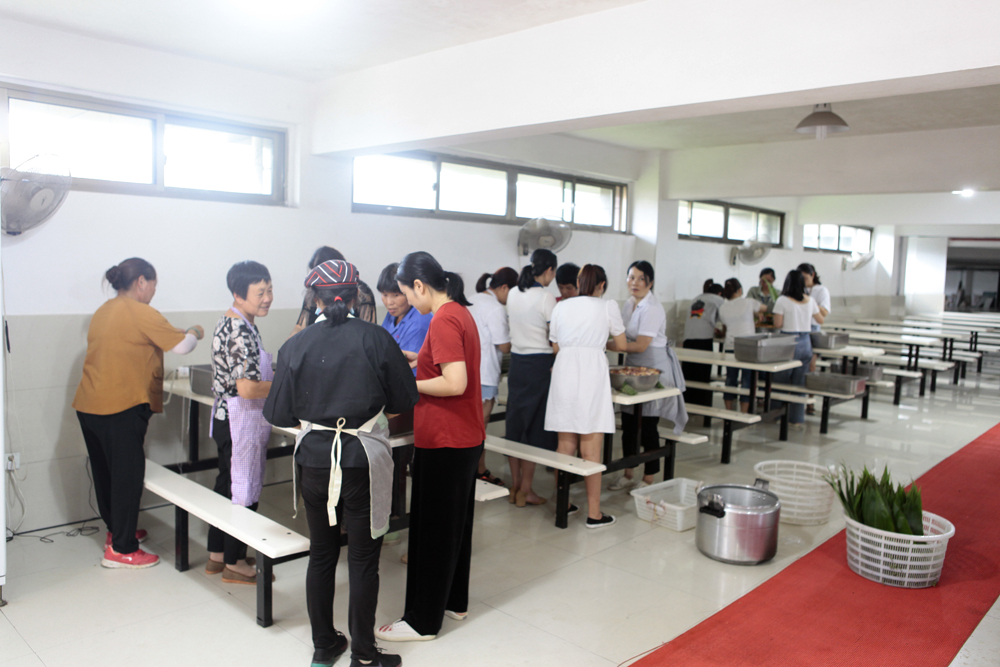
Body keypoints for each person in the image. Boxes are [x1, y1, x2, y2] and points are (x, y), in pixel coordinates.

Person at [264, 259, 418, 667]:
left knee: (321, 553)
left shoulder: (295, 345)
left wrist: (317, 420)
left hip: (314, 460)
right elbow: (403, 401)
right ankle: (363, 656)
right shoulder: (377, 338)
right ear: (355, 296)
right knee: (363, 558)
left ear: (315, 298)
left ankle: (324, 646)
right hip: (362, 459)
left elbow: (277, 412)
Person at [376, 252, 483, 643]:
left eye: (405, 292)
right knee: (455, 526)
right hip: (465, 436)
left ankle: (422, 622)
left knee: (433, 531)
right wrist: (416, 359)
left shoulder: (442, 319)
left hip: (444, 438)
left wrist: (407, 384)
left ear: (419, 286)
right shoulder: (459, 312)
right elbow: (445, 364)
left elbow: (455, 382)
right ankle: (454, 601)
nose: (406, 300)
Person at [74, 258, 203, 569]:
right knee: (127, 477)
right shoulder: (140, 311)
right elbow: (182, 347)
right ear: (141, 282)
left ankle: (117, 532)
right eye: (154, 285)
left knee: (107, 474)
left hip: (90, 406)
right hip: (120, 408)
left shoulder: (104, 311)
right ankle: (122, 549)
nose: (154, 291)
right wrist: (195, 331)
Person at [206, 261, 275, 584]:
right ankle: (235, 563)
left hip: (230, 419)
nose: (267, 298)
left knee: (227, 485)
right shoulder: (239, 329)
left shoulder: (235, 320)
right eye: (260, 293)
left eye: (270, 290)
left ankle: (218, 555)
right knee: (243, 489)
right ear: (238, 294)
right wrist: (285, 385)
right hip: (239, 420)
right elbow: (248, 388)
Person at [545, 264, 626, 527]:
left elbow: (555, 346)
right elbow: (622, 345)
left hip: (564, 370)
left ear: (579, 283)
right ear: (602, 285)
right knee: (591, 450)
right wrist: (599, 341)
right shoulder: (607, 306)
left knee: (565, 446)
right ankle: (594, 514)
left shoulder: (561, 306)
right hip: (592, 372)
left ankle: (564, 505)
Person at [609, 260, 688, 491]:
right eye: (631, 277)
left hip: (652, 368)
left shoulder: (653, 307)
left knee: (648, 425)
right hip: (633, 367)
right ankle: (628, 472)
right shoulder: (628, 304)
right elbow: (622, 336)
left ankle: (649, 478)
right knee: (629, 423)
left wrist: (607, 344)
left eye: (641, 279)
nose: (634, 283)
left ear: (650, 282)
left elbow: (642, 344)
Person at [503, 248, 559, 507]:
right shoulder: (546, 297)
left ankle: (515, 487)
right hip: (539, 366)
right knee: (534, 429)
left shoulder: (513, 293)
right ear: (548, 270)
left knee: (515, 426)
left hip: (517, 365)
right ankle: (526, 490)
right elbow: (555, 339)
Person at [469, 267, 518, 485]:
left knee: (469, 427)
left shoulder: (470, 300)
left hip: (464, 373)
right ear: (504, 288)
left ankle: (474, 470)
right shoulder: (495, 308)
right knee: (480, 428)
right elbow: (504, 346)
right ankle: (478, 471)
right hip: (485, 374)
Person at [772, 270, 824, 428]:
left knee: (780, 380)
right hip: (805, 342)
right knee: (800, 383)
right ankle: (796, 419)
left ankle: (776, 415)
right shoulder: (810, 300)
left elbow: (777, 324)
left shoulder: (782, 300)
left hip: (788, 342)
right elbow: (820, 319)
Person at [718, 278, 767, 412]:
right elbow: (765, 308)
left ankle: (728, 411)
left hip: (730, 346)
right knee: (747, 380)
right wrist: (757, 313)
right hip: (747, 346)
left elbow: (727, 326)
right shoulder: (748, 302)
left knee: (730, 379)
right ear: (740, 290)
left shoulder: (723, 307)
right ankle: (743, 413)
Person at [377, 262, 433, 370]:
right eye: (384, 295)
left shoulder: (419, 323)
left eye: (396, 295)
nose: (389, 302)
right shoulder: (394, 313)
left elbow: (408, 370)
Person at [681, 278, 724, 408]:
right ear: (720, 293)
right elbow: (725, 319)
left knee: (688, 374)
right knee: (702, 374)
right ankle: (701, 404)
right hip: (703, 340)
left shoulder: (696, 298)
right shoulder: (719, 300)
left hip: (688, 339)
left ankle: (686, 403)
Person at [292, 246, 346, 336]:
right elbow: (300, 327)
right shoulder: (313, 292)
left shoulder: (360, 292)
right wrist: (292, 340)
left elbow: (365, 329)